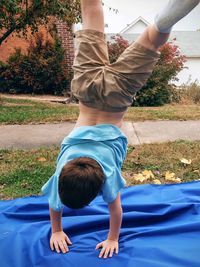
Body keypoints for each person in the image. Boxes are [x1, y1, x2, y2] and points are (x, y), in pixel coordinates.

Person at [42, 0, 200, 259]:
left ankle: (165, 20)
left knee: (152, 39)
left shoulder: (107, 176)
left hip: (116, 99)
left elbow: (116, 210)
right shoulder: (62, 172)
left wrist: (112, 238)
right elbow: (54, 202)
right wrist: (56, 230)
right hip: (86, 90)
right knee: (91, 11)